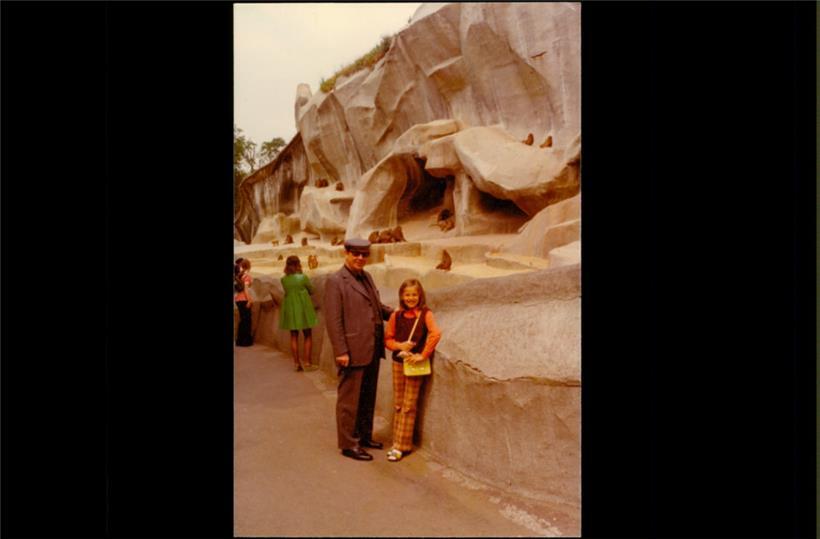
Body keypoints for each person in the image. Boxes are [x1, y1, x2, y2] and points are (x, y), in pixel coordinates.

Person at [324, 238, 394, 461]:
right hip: (351, 350)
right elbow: (333, 321)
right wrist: (341, 351)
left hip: (372, 347)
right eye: (356, 254)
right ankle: (348, 443)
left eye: (364, 255)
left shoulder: (367, 276)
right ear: (346, 253)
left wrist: (398, 313)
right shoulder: (336, 281)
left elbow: (376, 306)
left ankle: (364, 436)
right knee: (349, 400)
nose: (360, 258)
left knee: (367, 396)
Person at [383, 279, 441, 462]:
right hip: (399, 363)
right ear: (402, 296)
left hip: (415, 365)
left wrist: (423, 355)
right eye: (407, 294)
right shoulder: (396, 315)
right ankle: (397, 442)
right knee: (399, 403)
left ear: (420, 295)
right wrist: (401, 346)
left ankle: (401, 445)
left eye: (414, 294)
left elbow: (435, 333)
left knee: (409, 405)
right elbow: (388, 339)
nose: (410, 298)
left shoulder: (425, 314)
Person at [279, 255, 318, 371]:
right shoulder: (303, 277)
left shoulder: (283, 280)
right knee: (307, 335)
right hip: (303, 309)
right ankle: (307, 363)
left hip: (290, 309)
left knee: (293, 336)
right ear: (298, 264)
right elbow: (312, 290)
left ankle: (296, 363)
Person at [234, 258, 254, 347]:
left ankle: (239, 341)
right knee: (247, 321)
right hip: (244, 300)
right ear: (249, 266)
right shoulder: (247, 276)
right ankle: (246, 341)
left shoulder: (239, 275)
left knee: (242, 321)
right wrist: (249, 300)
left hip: (238, 299)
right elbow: (246, 290)